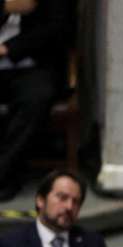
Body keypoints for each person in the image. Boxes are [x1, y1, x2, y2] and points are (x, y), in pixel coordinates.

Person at [0, 0, 72, 201]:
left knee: (37, 97)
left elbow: (57, 28)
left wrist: (8, 49)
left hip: (32, 65)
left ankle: (3, 173)